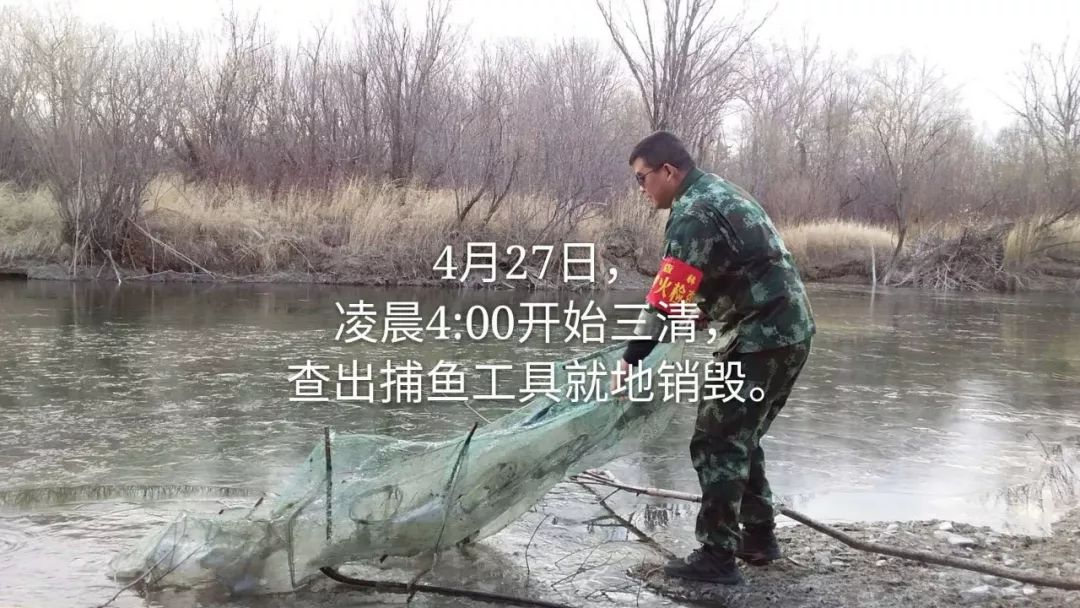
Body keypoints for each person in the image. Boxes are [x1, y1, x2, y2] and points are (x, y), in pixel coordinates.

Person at [611, 131, 816, 585]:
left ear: (668, 171)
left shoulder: (692, 214)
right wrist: (708, 311)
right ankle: (758, 537)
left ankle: (717, 557)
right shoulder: (717, 191)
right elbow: (741, 266)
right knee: (742, 434)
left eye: (642, 178)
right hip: (789, 332)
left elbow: (664, 300)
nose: (640, 189)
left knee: (716, 439)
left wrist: (631, 359)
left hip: (762, 336)